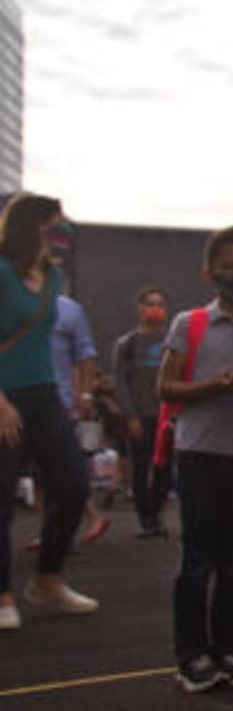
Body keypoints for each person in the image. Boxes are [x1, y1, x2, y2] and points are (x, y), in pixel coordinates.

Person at [161, 227, 233, 689]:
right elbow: (166, 389)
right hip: (198, 452)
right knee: (197, 557)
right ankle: (190, 655)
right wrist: (216, 386)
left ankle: (227, 649)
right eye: (231, 266)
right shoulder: (189, 324)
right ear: (210, 272)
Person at [0, 196, 98, 630]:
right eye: (55, 225)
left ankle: (48, 578)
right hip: (5, 395)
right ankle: (3, 596)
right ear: (31, 226)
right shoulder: (2, 273)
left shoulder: (55, 278)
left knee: (74, 486)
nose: (64, 234)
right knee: (2, 501)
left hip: (45, 395)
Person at [50, 288, 111, 546]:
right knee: (44, 479)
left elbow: (85, 354)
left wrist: (85, 394)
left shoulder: (67, 308)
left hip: (58, 403)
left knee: (64, 473)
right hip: (10, 402)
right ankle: (49, 535)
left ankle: (83, 522)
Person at [115, 287, 172, 537]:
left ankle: (156, 513)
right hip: (141, 415)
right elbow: (120, 382)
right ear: (140, 308)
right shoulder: (127, 343)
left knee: (165, 467)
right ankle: (145, 518)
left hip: (167, 416)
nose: (156, 309)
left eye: (160, 304)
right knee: (141, 466)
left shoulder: (173, 341)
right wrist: (131, 416)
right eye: (151, 304)